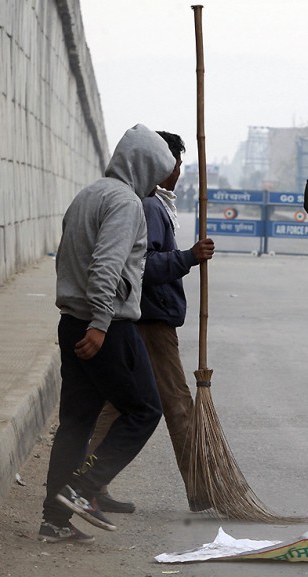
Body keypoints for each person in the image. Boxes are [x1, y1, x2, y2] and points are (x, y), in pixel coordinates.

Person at [39, 124, 172, 543]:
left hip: (72, 321)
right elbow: (105, 268)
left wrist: (84, 319)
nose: (157, 182)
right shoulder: (125, 202)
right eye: (157, 171)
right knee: (144, 410)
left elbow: (67, 260)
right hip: (106, 327)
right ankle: (84, 487)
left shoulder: (89, 194)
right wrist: (99, 324)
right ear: (144, 165)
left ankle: (53, 521)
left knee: (76, 423)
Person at [86, 131, 215, 514]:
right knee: (177, 403)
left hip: (143, 317)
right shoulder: (147, 207)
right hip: (151, 322)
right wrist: (188, 257)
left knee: (117, 405)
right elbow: (139, 266)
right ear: (159, 165)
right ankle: (204, 487)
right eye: (174, 163)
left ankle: (88, 482)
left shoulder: (152, 205)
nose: (178, 171)